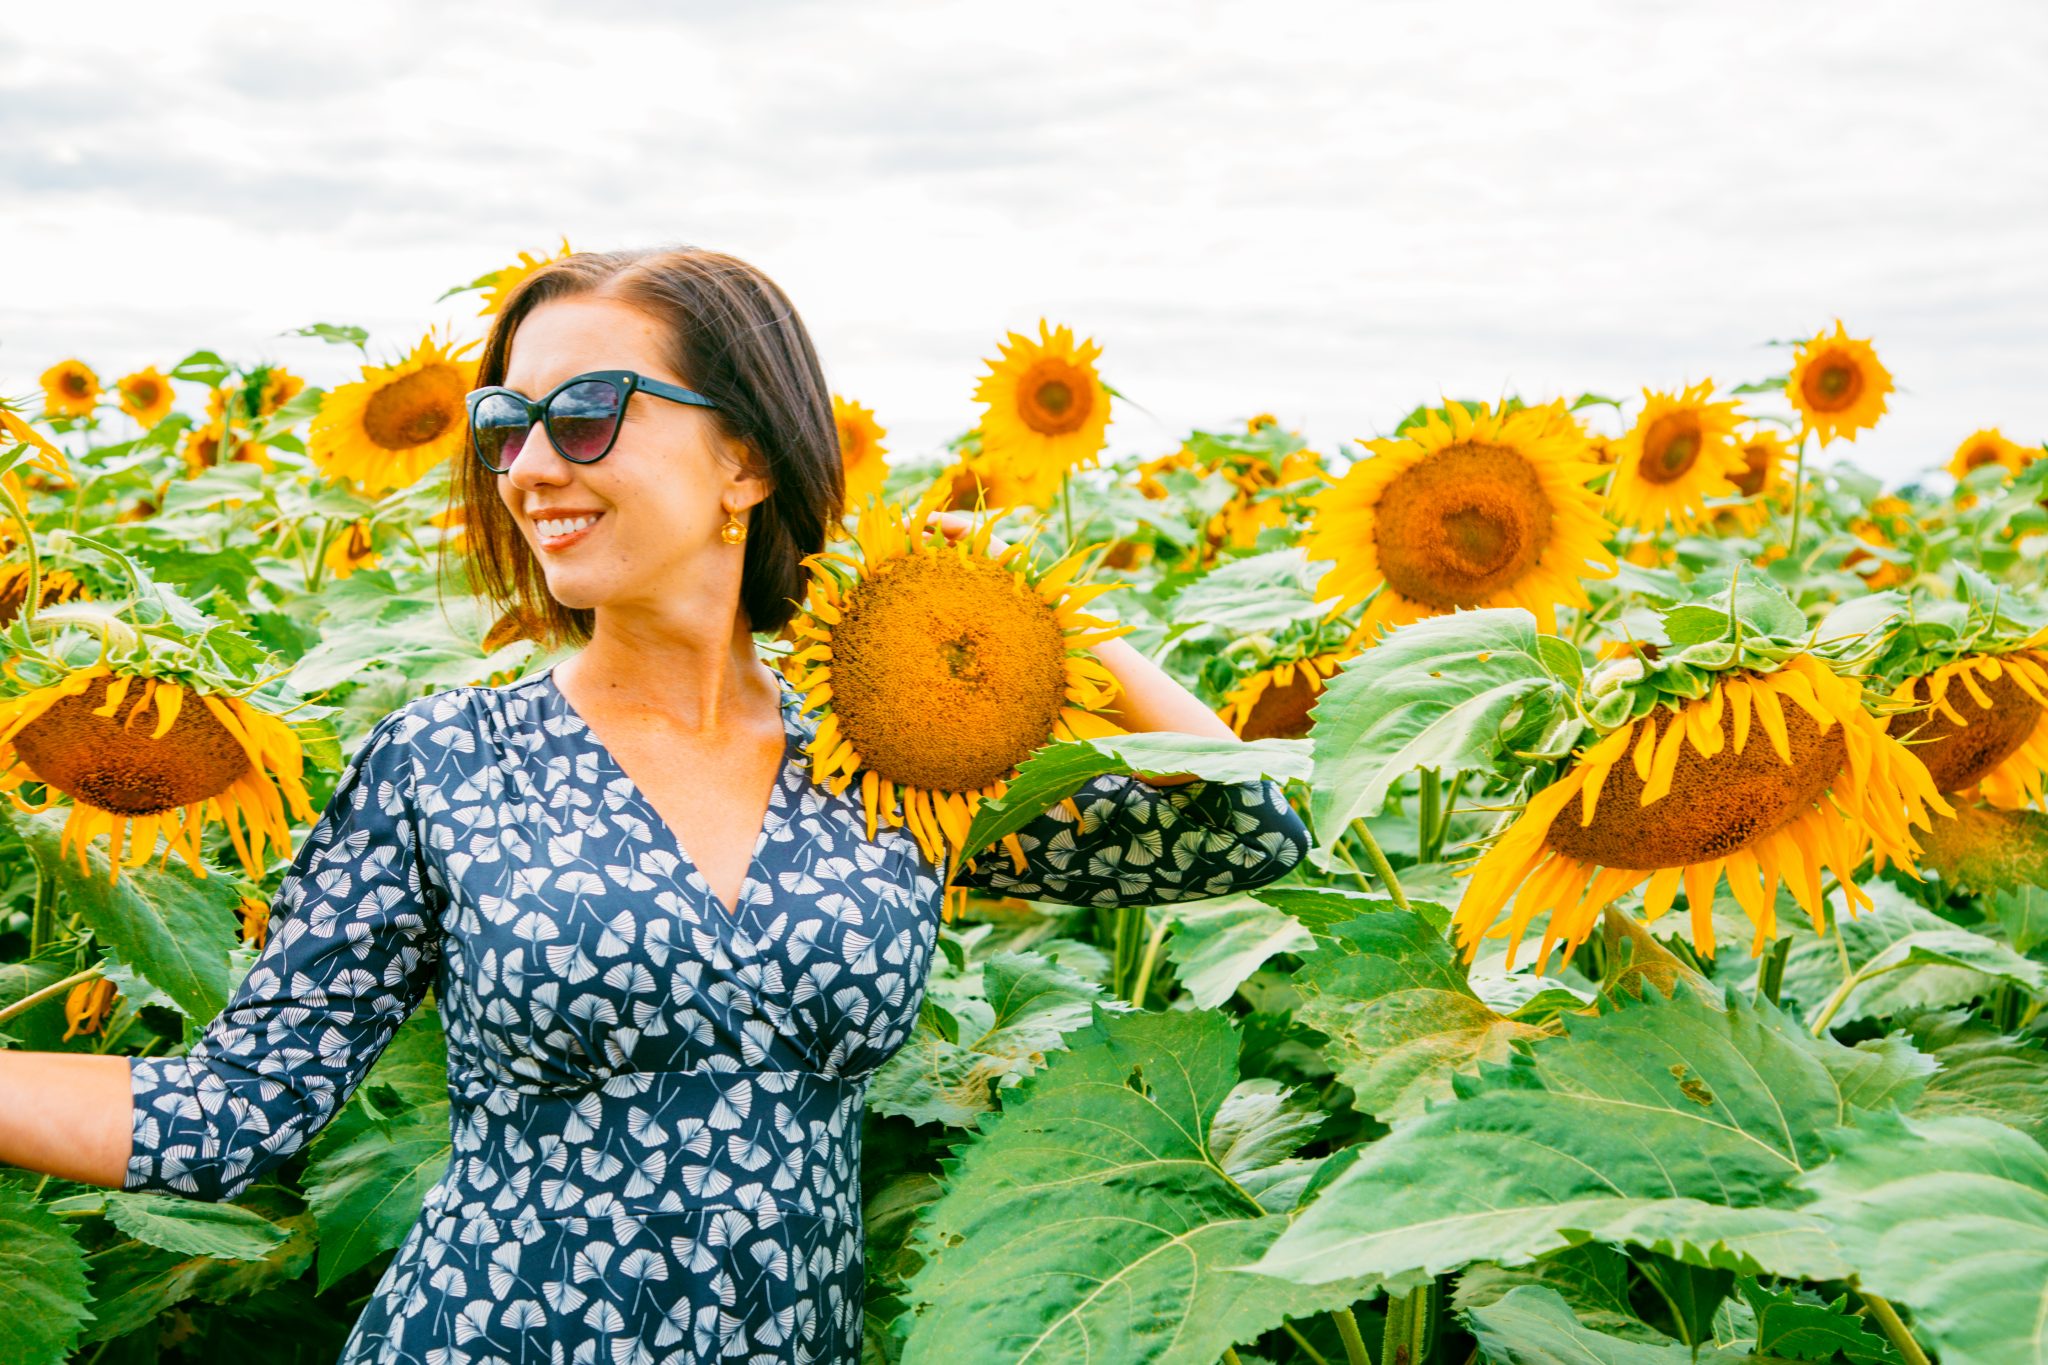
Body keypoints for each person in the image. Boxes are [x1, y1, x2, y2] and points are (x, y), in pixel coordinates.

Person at [0, 246, 1311, 1363]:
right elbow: (228, 1110)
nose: (527, 469)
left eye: (586, 415)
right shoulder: (443, 761)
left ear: (744, 456)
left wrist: (1043, 613)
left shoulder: (900, 759)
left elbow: (1244, 827)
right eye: (506, 427)